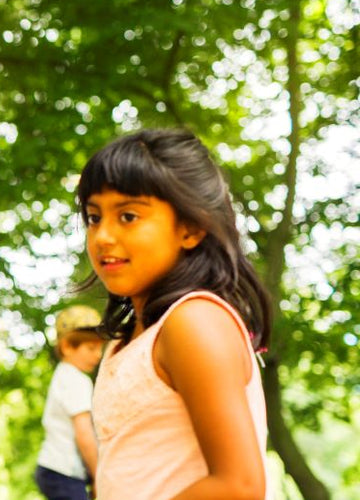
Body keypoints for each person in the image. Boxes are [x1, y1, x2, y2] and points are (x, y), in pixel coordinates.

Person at [76, 129, 271, 499]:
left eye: (128, 215)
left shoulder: (194, 322)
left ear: (191, 227)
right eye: (93, 217)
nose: (102, 236)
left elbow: (240, 486)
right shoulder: (128, 339)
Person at [35, 305, 105, 500]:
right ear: (67, 346)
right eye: (91, 348)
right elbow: (84, 434)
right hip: (64, 472)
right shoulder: (77, 380)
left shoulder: (63, 375)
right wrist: (100, 476)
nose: (98, 355)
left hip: (54, 469)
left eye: (100, 347)